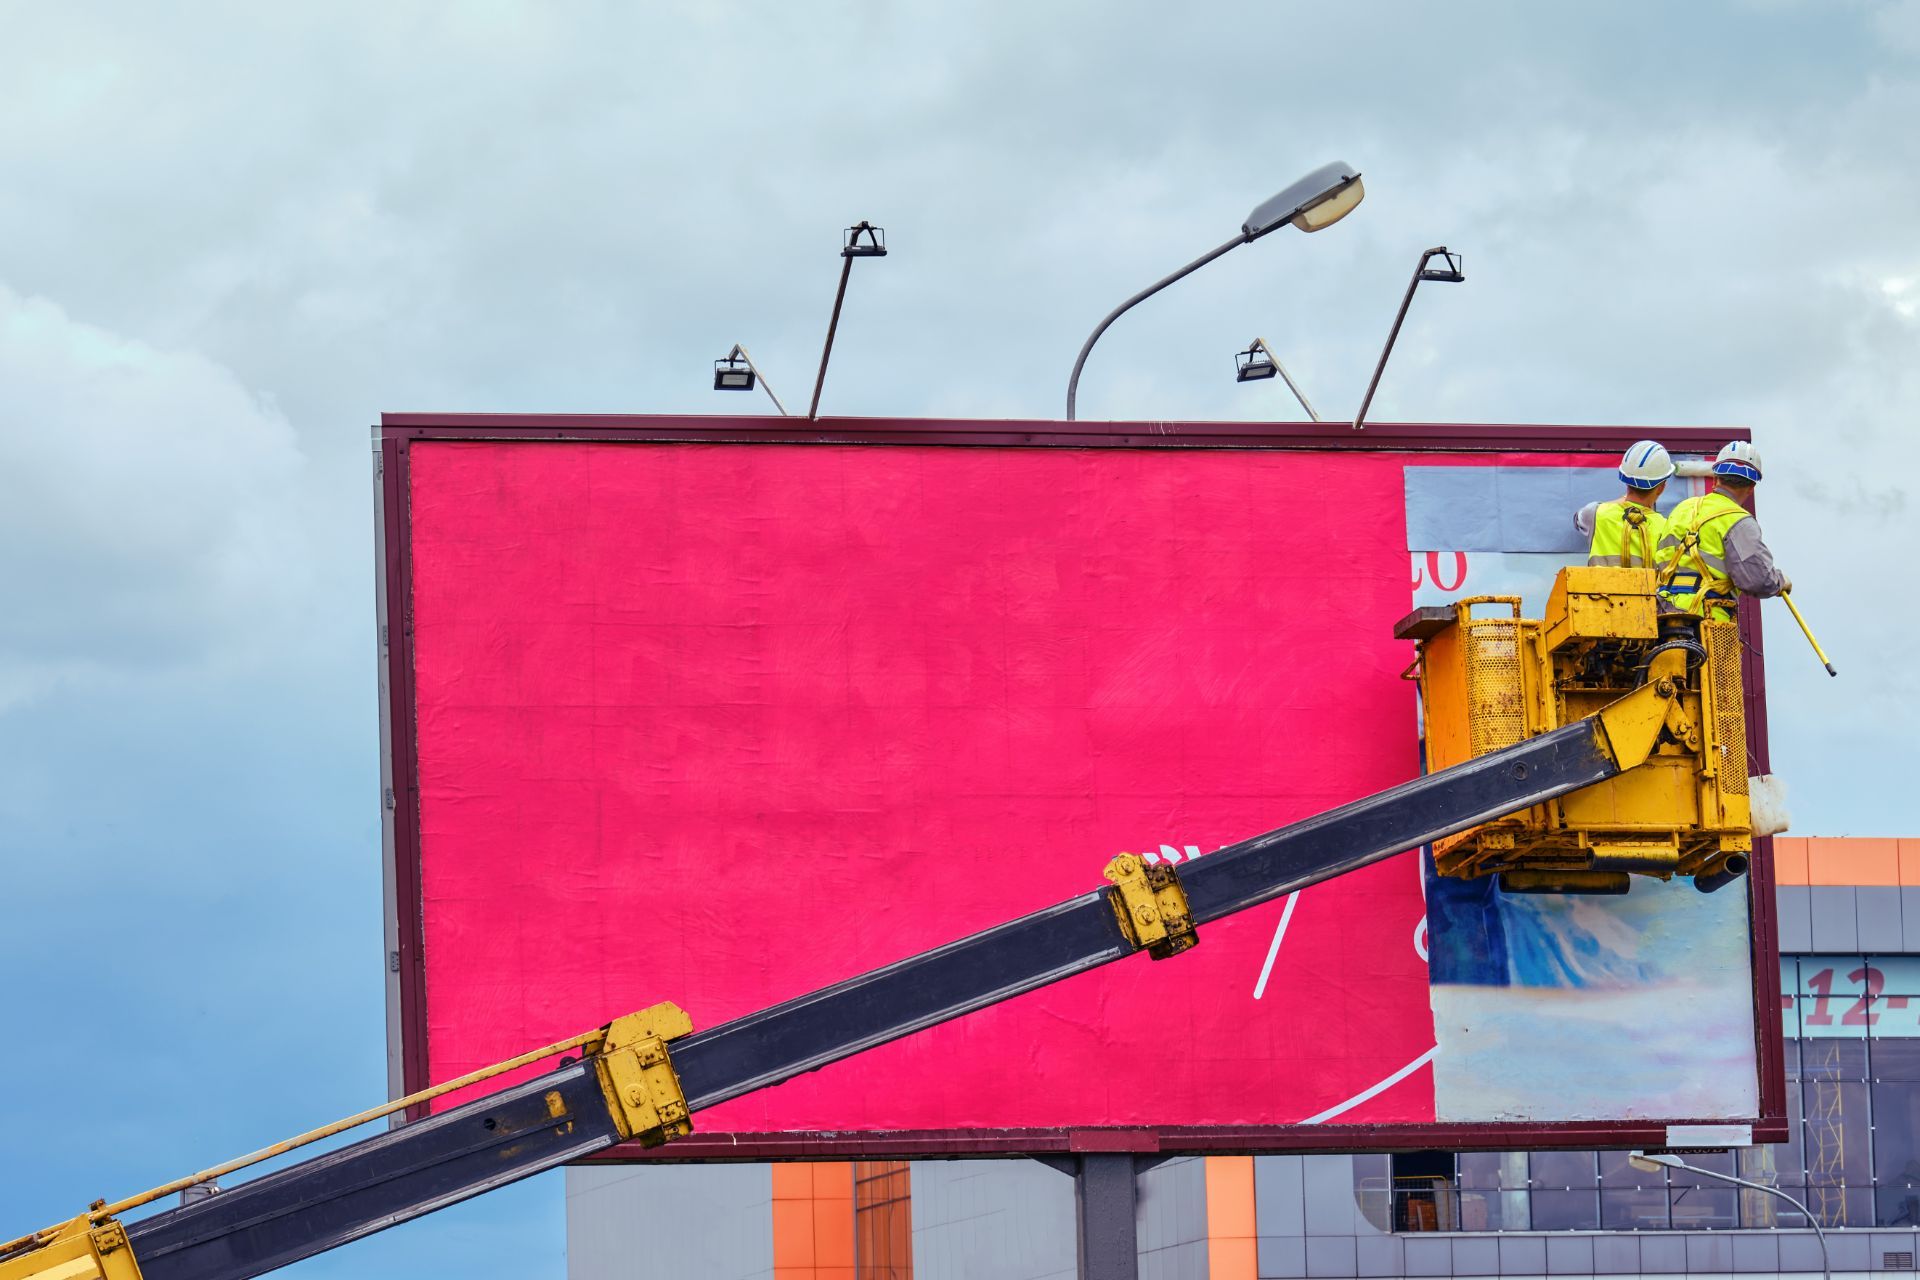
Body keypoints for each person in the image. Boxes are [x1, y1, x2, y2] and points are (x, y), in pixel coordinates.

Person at [1653, 441, 1790, 622]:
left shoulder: (1683, 508)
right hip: (1705, 622)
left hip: (1660, 613)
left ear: (1716, 479)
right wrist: (1780, 582)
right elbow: (1757, 580)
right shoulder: (1739, 522)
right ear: (1751, 488)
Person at [1575, 440, 1673, 567]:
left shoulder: (1596, 513)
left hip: (1599, 587)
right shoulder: (1666, 528)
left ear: (1625, 479)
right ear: (1661, 488)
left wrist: (1626, 499)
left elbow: (1577, 518)